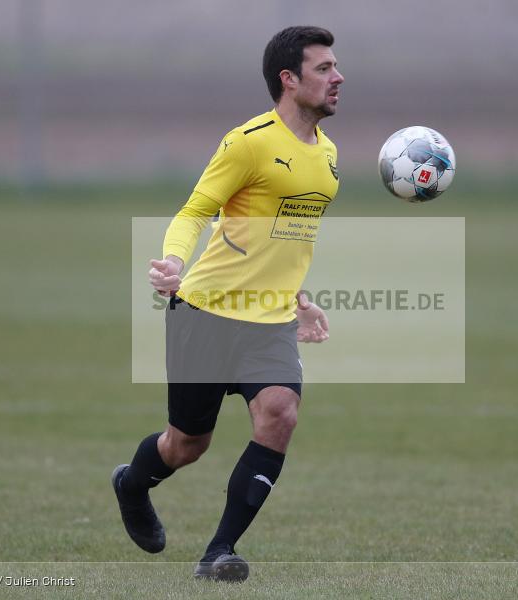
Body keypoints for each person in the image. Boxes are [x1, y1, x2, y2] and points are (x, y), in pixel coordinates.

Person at [112, 26, 344, 583]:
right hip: (205, 313)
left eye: (337, 68)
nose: (337, 78)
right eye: (323, 69)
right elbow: (195, 211)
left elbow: (284, 241)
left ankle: (219, 551)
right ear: (288, 80)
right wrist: (173, 262)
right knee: (187, 444)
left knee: (279, 414)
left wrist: (301, 301)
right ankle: (132, 483)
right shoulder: (249, 141)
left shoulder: (329, 156)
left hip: (270, 320)